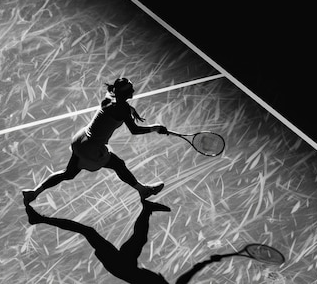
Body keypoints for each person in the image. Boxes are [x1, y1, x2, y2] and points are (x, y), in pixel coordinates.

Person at [23, 78, 168, 204]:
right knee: (118, 165)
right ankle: (144, 191)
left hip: (81, 140)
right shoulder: (123, 109)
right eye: (130, 89)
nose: (133, 90)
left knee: (68, 173)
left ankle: (33, 193)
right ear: (124, 94)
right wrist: (155, 128)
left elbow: (121, 106)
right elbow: (135, 130)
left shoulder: (109, 98)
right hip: (92, 148)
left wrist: (131, 110)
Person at [24, 200, 222, 283]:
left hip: (122, 266)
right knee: (137, 237)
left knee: (88, 232)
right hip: (125, 265)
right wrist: (207, 262)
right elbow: (186, 278)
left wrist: (207, 262)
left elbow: (184, 278)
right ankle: (146, 209)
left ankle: (39, 218)